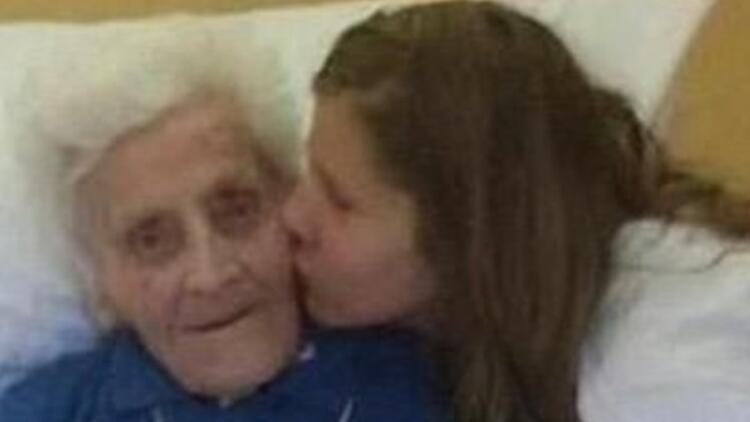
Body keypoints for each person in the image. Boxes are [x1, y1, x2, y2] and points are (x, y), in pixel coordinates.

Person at [282, 2, 750, 421]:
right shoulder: (517, 313)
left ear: (465, 238)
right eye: (309, 171)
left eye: (340, 201)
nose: (294, 217)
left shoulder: (655, 375)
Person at [0, 43, 444, 422]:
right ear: (101, 282)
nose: (210, 275)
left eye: (236, 210)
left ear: (289, 204)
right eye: (151, 240)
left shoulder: (434, 378)